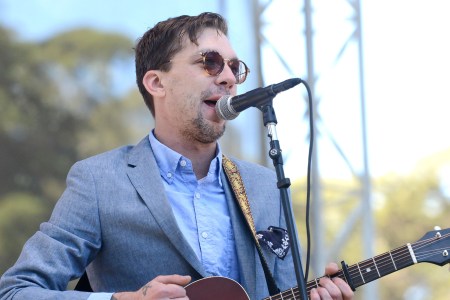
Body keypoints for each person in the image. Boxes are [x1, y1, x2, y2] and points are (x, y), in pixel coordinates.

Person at [0, 12, 353, 300]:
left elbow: (290, 292)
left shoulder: (264, 185)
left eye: (234, 66)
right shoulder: (98, 180)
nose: (229, 77)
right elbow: (16, 291)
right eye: (210, 62)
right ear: (157, 83)